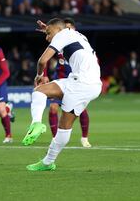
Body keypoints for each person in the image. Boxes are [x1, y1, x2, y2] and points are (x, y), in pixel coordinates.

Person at [23, 18, 101, 171]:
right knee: (64, 127)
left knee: (39, 90)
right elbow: (60, 31)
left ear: (58, 30)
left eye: (48, 34)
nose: (46, 38)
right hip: (90, 84)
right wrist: (49, 29)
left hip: (81, 83)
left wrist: (39, 75)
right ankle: (47, 162)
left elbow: (42, 60)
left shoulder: (61, 35)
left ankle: (36, 124)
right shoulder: (76, 34)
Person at [37, 18, 92, 148]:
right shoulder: (60, 43)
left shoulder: (79, 44)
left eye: (68, 29)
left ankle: (84, 137)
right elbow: (46, 58)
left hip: (77, 82)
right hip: (61, 79)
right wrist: (48, 30)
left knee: (80, 111)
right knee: (53, 108)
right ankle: (55, 138)